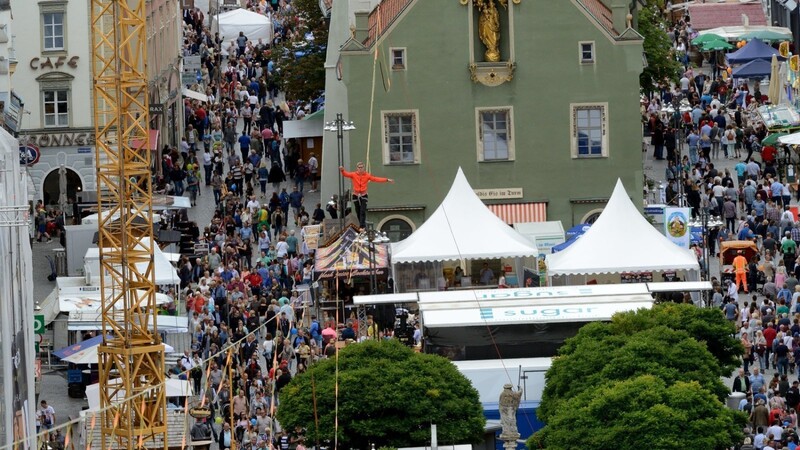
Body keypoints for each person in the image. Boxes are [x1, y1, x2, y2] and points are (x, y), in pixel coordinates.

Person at [339, 163, 394, 228]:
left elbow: (376, 179)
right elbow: (346, 174)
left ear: (364, 168)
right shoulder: (353, 174)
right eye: (359, 167)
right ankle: (360, 224)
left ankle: (362, 226)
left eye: (361, 167)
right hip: (356, 195)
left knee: (362, 210)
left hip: (364, 194)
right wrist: (342, 170)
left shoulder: (367, 175)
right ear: (357, 168)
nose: (360, 169)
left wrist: (386, 180)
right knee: (358, 210)